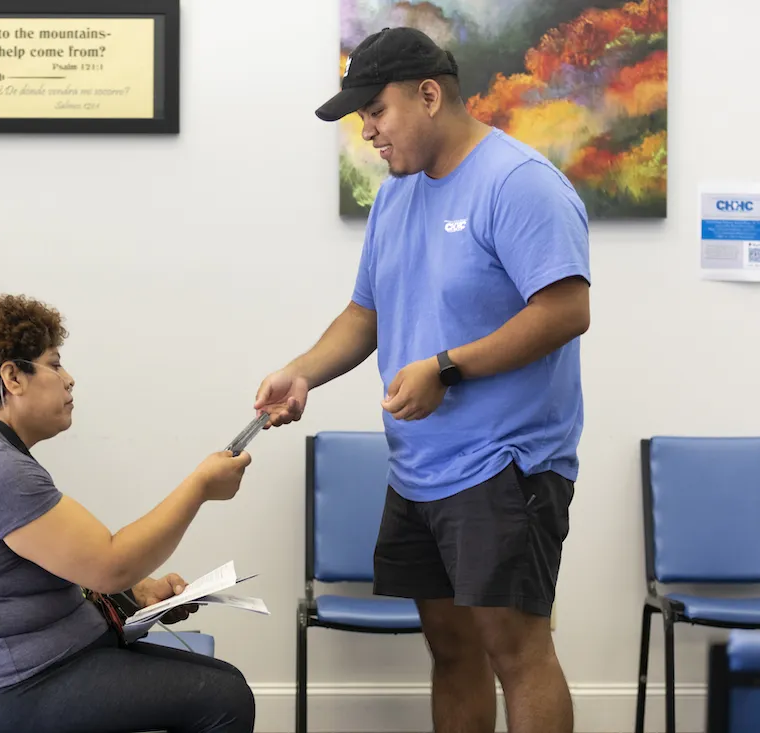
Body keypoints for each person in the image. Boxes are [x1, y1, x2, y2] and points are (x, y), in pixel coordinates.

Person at [254, 26, 591, 733]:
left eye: (376, 112)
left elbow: (565, 310)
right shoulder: (395, 198)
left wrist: (447, 366)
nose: (368, 131)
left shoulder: (518, 183)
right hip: (419, 469)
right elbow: (364, 312)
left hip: (506, 464)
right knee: (451, 649)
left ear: (429, 95)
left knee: (517, 650)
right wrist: (301, 372)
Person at [0, 294, 256, 733]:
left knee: (224, 686)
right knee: (224, 699)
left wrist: (137, 594)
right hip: (19, 688)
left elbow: (76, 568)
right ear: (13, 377)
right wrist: (199, 488)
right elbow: (109, 565)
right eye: (55, 364)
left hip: (41, 668)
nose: (69, 379)